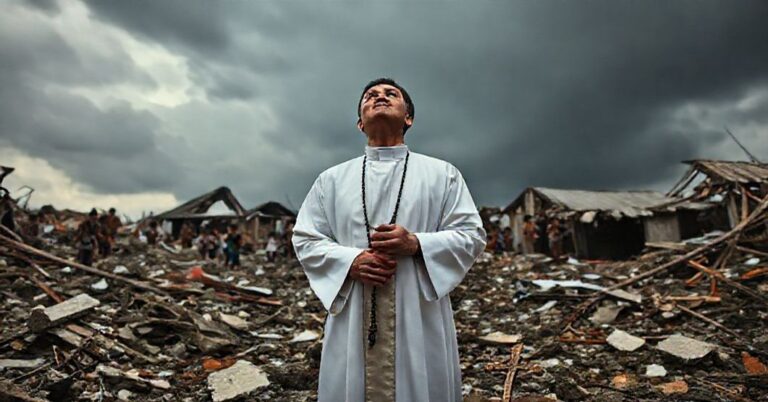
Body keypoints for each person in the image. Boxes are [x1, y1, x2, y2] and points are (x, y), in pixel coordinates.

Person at [292, 78, 486, 401]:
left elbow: (471, 234)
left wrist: (417, 244)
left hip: (417, 312)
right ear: (359, 122)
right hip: (355, 305)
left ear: (408, 117)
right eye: (370, 96)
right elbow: (305, 237)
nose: (379, 97)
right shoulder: (332, 181)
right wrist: (350, 261)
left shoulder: (442, 174)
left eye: (390, 94)